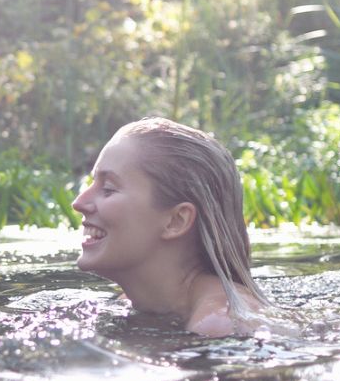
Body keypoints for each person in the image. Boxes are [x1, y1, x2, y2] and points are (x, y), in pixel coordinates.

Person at [71, 116, 281, 336]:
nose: (79, 203)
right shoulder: (131, 304)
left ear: (176, 221)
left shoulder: (221, 322)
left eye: (108, 189)